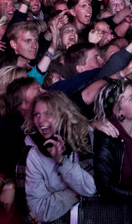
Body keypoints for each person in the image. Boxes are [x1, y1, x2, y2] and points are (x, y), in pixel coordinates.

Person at [21, 90, 97, 223]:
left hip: (90, 215)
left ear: (63, 114)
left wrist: (62, 161)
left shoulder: (83, 136)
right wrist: (74, 192)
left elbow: (90, 187)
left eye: (48, 114)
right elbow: (37, 210)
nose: (40, 120)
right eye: (36, 114)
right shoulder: (33, 153)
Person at [92, 79, 132, 203]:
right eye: (131, 98)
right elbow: (107, 188)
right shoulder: (106, 138)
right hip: (121, 210)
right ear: (118, 112)